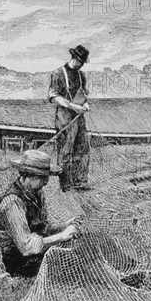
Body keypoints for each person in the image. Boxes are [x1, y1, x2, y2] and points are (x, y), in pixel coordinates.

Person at [0, 150, 81, 277]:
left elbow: (44, 227)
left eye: (47, 177)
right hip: (21, 262)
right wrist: (62, 236)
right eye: (42, 178)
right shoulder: (12, 203)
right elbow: (27, 247)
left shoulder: (37, 193)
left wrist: (65, 225)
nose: (46, 182)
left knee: (79, 250)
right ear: (28, 175)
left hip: (39, 252)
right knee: (73, 262)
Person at [48, 45, 91, 192]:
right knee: (66, 151)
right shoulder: (58, 73)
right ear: (74, 58)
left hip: (79, 118)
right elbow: (53, 97)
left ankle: (80, 181)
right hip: (64, 118)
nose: (81, 64)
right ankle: (66, 185)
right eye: (80, 61)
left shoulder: (82, 76)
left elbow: (84, 95)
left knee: (83, 149)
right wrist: (72, 106)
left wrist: (85, 104)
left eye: (83, 62)